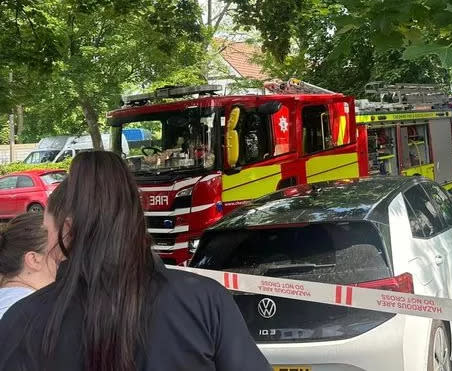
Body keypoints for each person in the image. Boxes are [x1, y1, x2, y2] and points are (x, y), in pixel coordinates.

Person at [0, 151, 269, 371]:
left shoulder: (26, 319)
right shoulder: (204, 301)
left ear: (68, 230)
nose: (48, 244)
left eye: (48, 232)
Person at [0, 212, 57, 319]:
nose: (65, 257)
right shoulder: (37, 315)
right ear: (34, 259)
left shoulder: (8, 302)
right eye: (58, 249)